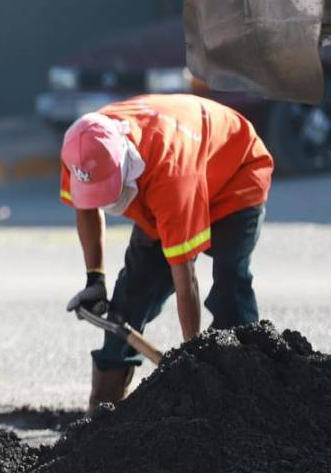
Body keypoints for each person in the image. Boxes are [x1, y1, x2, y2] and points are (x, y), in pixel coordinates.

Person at [61, 95, 274, 412]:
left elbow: (185, 275)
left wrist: (192, 357)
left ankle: (243, 397)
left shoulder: (171, 175)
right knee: (131, 294)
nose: (105, 201)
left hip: (234, 173)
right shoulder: (83, 147)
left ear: (124, 163)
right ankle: (102, 413)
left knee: (230, 281)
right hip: (159, 181)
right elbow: (86, 208)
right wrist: (95, 279)